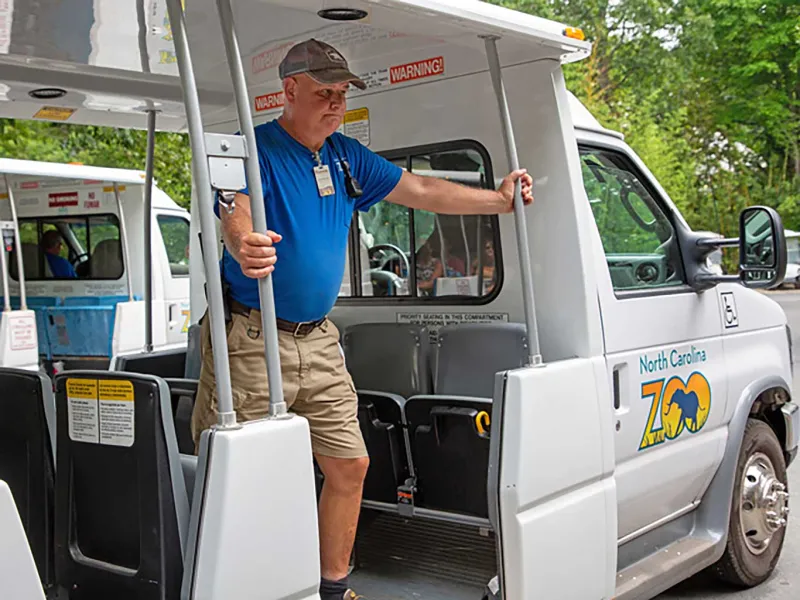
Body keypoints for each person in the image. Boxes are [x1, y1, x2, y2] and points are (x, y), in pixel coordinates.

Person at [190, 38, 534, 600]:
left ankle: (331, 589)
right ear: (290, 90)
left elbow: (421, 189)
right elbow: (235, 208)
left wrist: (498, 201)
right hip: (252, 336)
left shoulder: (345, 156)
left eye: (343, 93)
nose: (335, 104)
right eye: (324, 92)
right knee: (235, 473)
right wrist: (243, 242)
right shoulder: (251, 151)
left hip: (318, 339)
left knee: (350, 466)